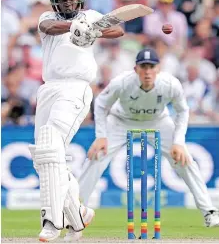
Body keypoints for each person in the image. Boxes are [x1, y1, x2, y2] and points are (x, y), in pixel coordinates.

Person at [78, 47, 219, 239]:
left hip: (158, 121)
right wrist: (101, 135)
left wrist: (178, 142)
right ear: (136, 69)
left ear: (158, 68)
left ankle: (209, 212)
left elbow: (183, 111)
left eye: (151, 67)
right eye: (143, 67)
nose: (147, 72)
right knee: (96, 158)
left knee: (185, 160)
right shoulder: (123, 82)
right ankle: (75, 214)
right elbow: (101, 103)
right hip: (121, 121)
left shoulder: (170, 84)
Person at [29, 0, 124, 242]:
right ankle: (78, 214)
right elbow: (49, 27)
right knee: (45, 159)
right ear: (54, 1)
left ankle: (52, 221)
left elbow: (118, 29)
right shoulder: (46, 18)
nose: (69, 2)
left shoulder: (91, 15)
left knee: (50, 145)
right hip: (48, 90)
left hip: (75, 89)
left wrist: (93, 29)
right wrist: (74, 27)